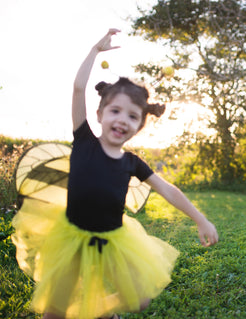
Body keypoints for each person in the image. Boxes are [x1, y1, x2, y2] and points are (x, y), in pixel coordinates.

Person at [12, 29, 218, 319]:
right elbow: (78, 89)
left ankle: (103, 313)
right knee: (53, 314)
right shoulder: (84, 141)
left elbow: (168, 190)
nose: (122, 119)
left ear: (139, 126)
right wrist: (95, 50)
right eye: (115, 111)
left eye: (132, 116)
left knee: (139, 301)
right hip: (71, 238)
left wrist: (201, 219)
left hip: (113, 241)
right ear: (100, 114)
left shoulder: (132, 163)